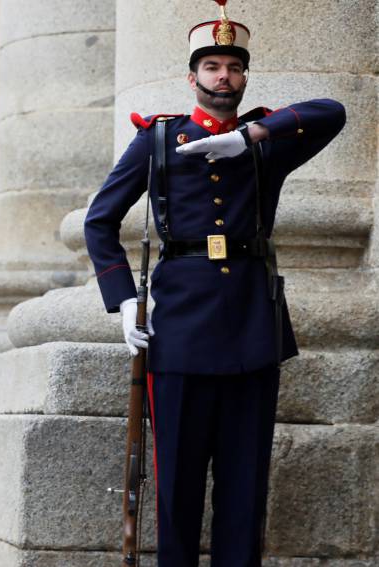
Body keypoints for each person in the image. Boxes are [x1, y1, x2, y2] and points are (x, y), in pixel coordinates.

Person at [83, 2, 345, 565]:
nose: (223, 76)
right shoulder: (157, 140)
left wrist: (250, 135)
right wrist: (124, 301)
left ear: (244, 76)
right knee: (177, 489)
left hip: (252, 329)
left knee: (244, 489)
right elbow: (99, 221)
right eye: (211, 66)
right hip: (176, 332)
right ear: (192, 77)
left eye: (233, 66)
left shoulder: (267, 143)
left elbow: (333, 111)